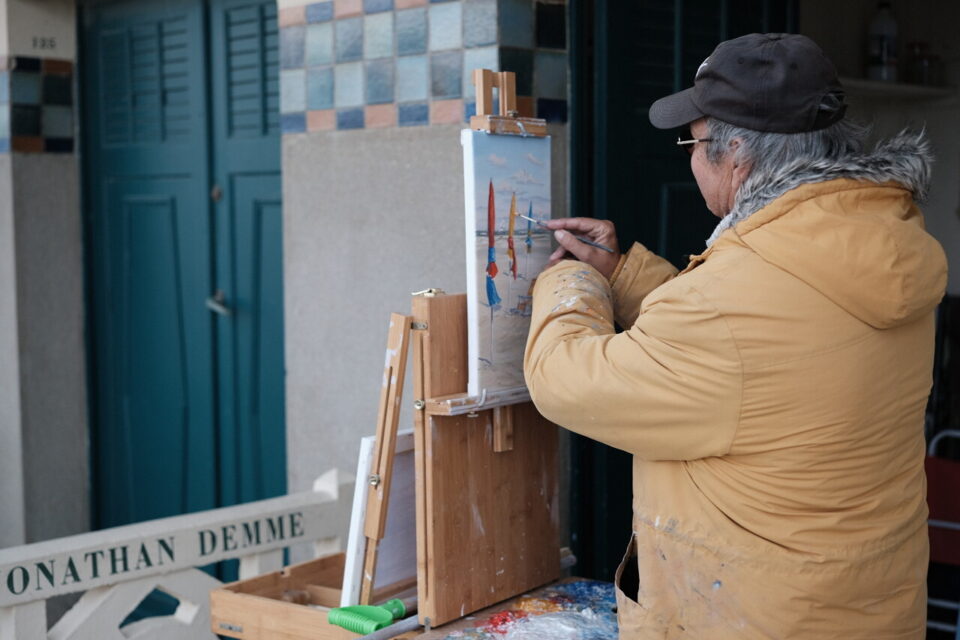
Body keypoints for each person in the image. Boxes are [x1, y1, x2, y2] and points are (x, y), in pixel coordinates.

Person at [524, 33, 947, 638]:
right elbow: (759, 360)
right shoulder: (875, 241)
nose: (690, 160)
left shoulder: (735, 303)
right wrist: (621, 277)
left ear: (739, 154)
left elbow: (565, 381)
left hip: (759, 620)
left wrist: (570, 284)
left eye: (692, 144)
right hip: (867, 609)